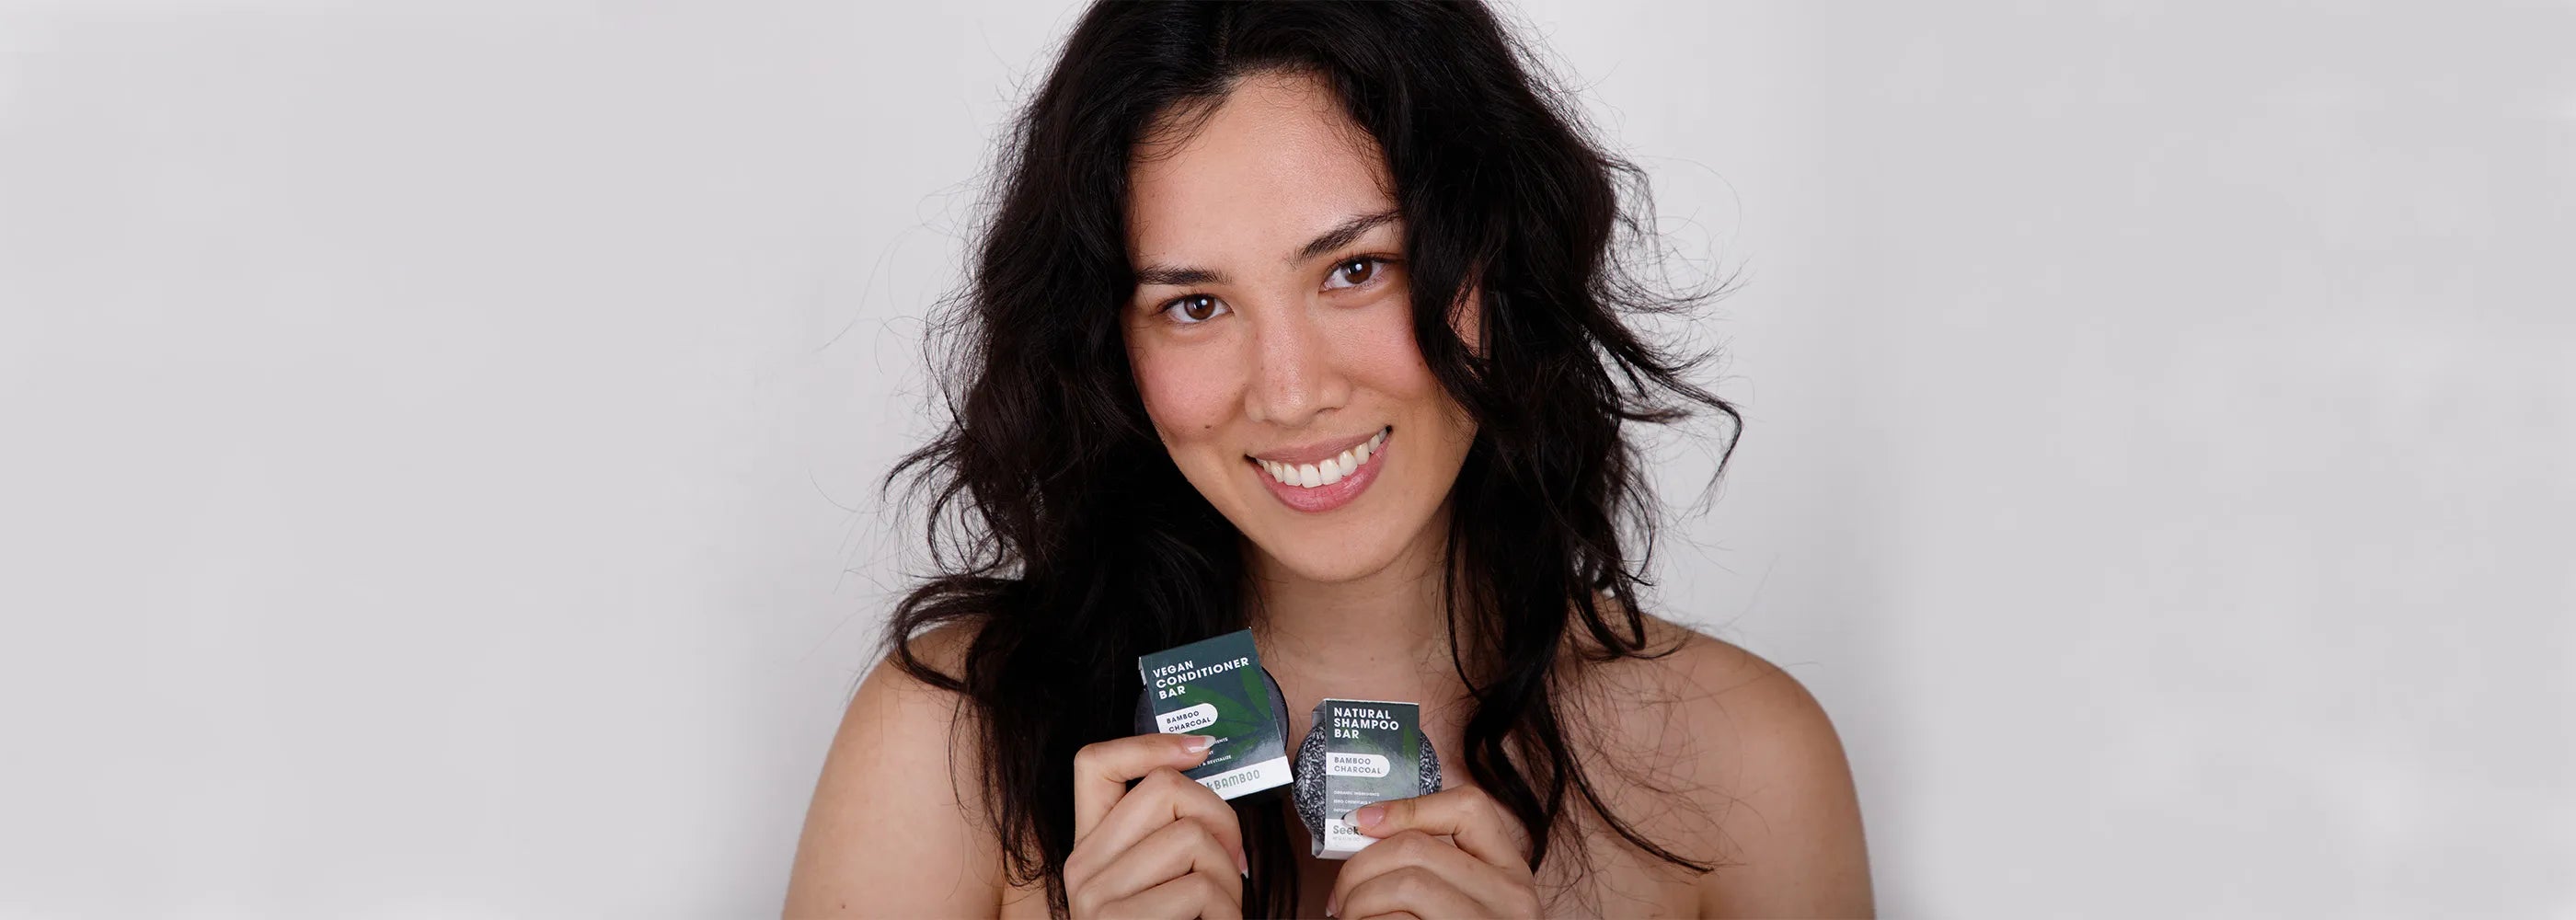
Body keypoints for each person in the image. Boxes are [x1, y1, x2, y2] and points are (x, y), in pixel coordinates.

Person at [786, 2, 1870, 916]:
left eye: (1356, 269)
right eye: (1195, 303)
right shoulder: (943, 742)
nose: (1292, 389)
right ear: (1108, 345)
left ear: (1494, 261)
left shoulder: (1747, 765)